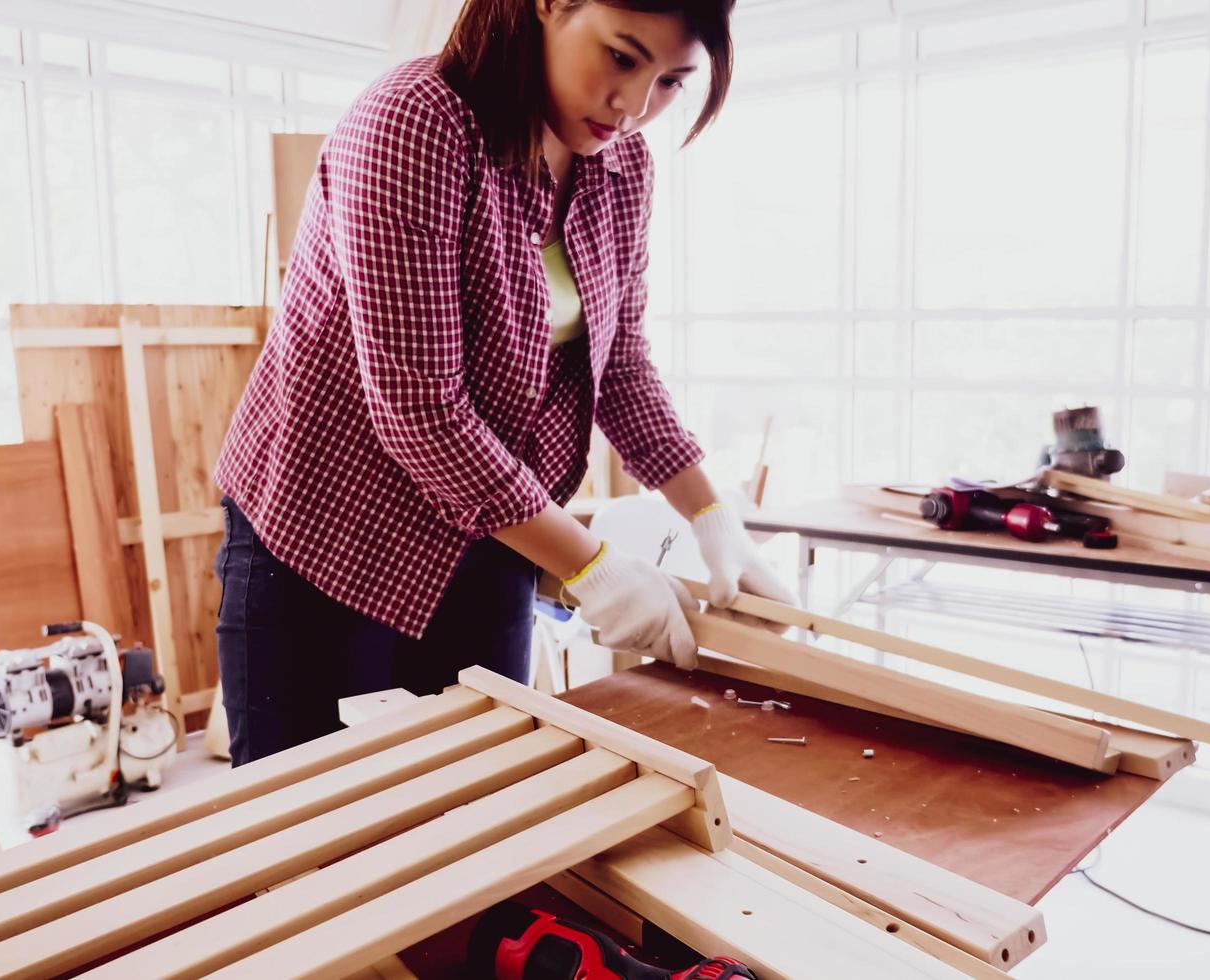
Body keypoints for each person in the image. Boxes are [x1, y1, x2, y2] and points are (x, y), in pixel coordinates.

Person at [211, 0, 794, 766]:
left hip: (487, 533)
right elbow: (422, 411)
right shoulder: (413, 126)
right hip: (328, 527)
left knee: (478, 794)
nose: (634, 106)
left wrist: (711, 515)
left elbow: (617, 367)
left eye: (672, 82)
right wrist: (591, 565)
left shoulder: (620, 167)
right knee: (314, 833)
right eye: (621, 57)